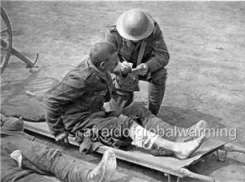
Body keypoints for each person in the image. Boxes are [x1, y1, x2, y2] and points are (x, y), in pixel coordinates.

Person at [46, 42, 207, 159]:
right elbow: (52, 100)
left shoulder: (98, 65)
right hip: (81, 122)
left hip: (96, 111)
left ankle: (179, 135)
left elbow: (109, 71)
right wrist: (58, 131)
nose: (118, 63)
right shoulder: (80, 79)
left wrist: (122, 69)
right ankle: (177, 148)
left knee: (137, 109)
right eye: (115, 61)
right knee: (124, 124)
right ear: (103, 64)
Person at [0, 114, 117, 182]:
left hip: (6, 136)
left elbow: (10, 121)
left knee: (47, 156)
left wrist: (9, 122)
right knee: (17, 177)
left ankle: (89, 177)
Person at [104, 9, 169, 115]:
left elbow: (163, 55)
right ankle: (124, 111)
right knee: (121, 113)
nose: (135, 40)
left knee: (160, 74)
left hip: (144, 67)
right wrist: (119, 67)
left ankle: (152, 114)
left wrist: (148, 66)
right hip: (122, 70)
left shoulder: (153, 30)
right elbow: (105, 59)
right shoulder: (114, 33)